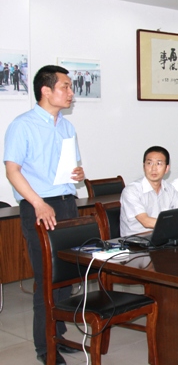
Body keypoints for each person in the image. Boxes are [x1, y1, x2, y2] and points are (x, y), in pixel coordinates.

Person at [4, 65, 85, 365]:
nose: (71, 92)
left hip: (66, 203)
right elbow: (13, 171)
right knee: (47, 278)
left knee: (67, 275)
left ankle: (59, 335)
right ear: (46, 90)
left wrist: (79, 173)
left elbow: (73, 166)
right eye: (65, 86)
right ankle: (44, 347)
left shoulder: (67, 127)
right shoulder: (22, 125)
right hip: (39, 207)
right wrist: (38, 203)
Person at [120, 146, 178, 236]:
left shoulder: (170, 189)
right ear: (144, 166)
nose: (154, 168)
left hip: (162, 237)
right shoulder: (131, 191)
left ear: (166, 168)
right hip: (136, 240)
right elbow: (146, 221)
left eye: (159, 163)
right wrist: (174, 224)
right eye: (149, 163)